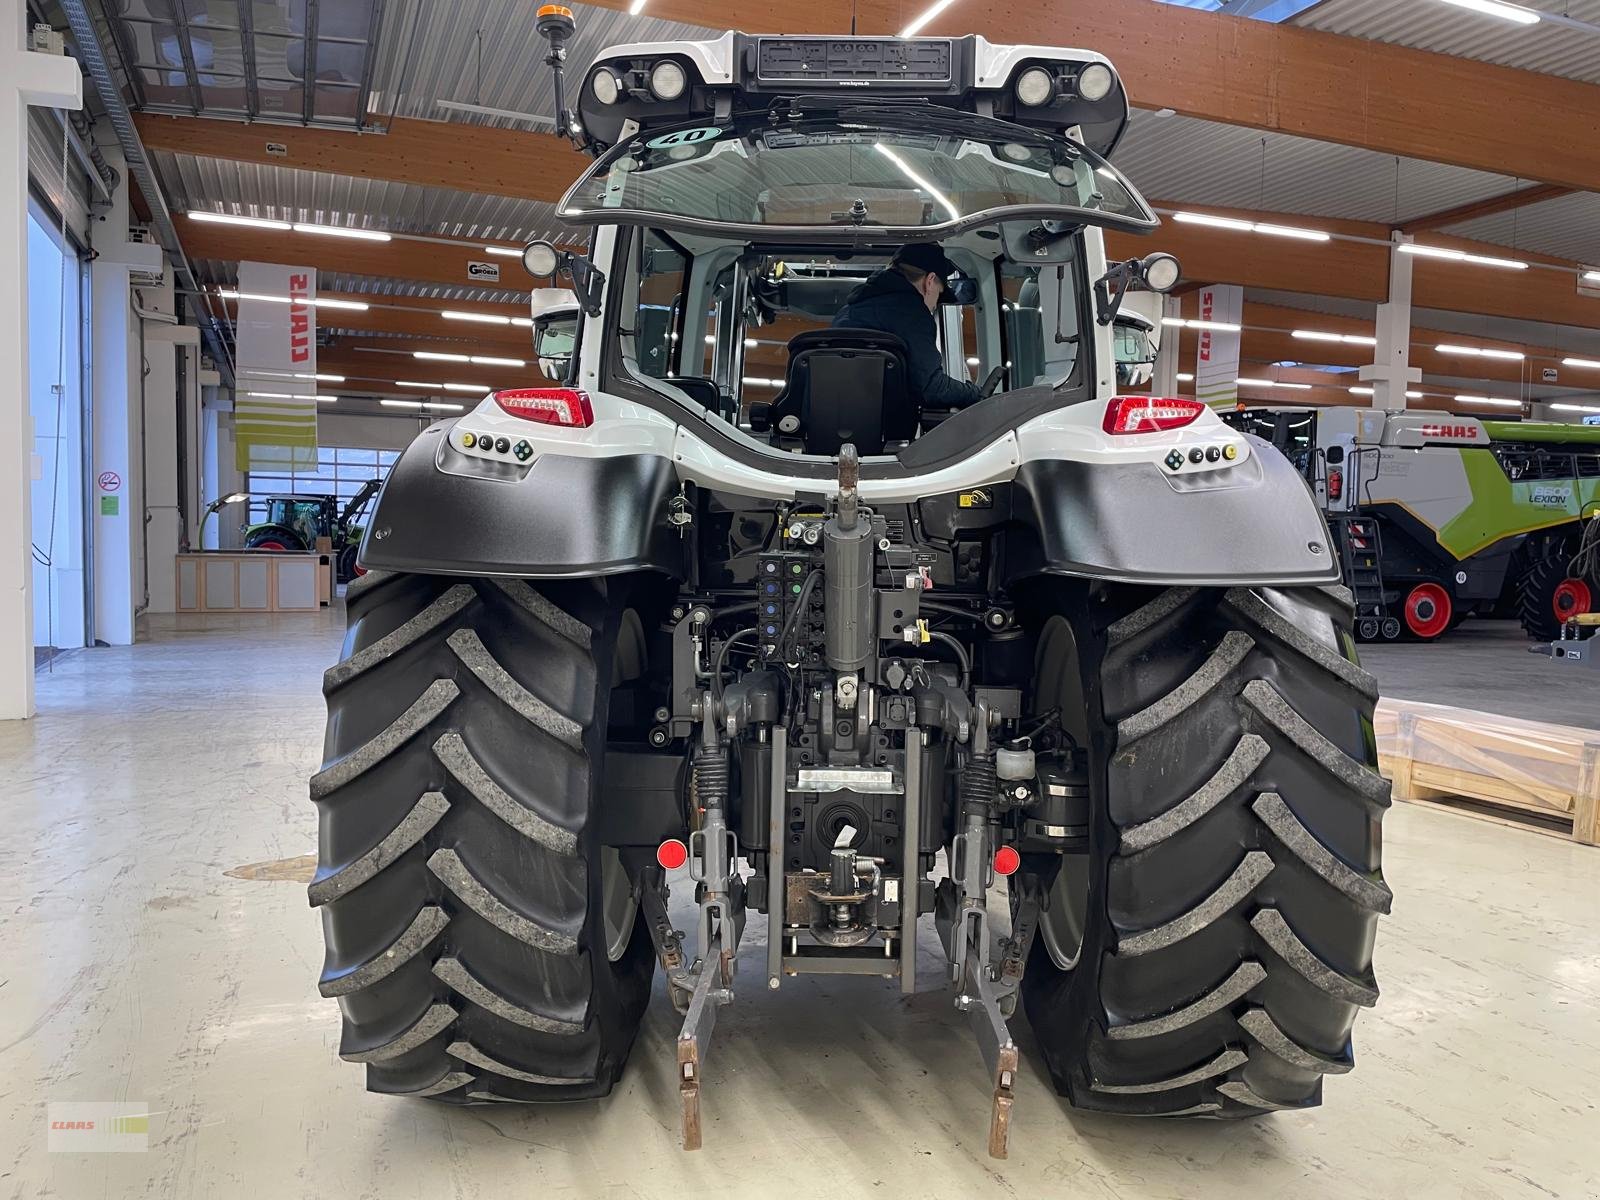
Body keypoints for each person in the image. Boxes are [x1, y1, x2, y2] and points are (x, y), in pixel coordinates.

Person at [832, 244, 983, 409]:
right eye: (939, 294)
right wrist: (977, 394)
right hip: (890, 423)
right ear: (930, 281)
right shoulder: (914, 314)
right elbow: (931, 388)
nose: (935, 305)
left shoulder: (846, 311)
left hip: (829, 417)